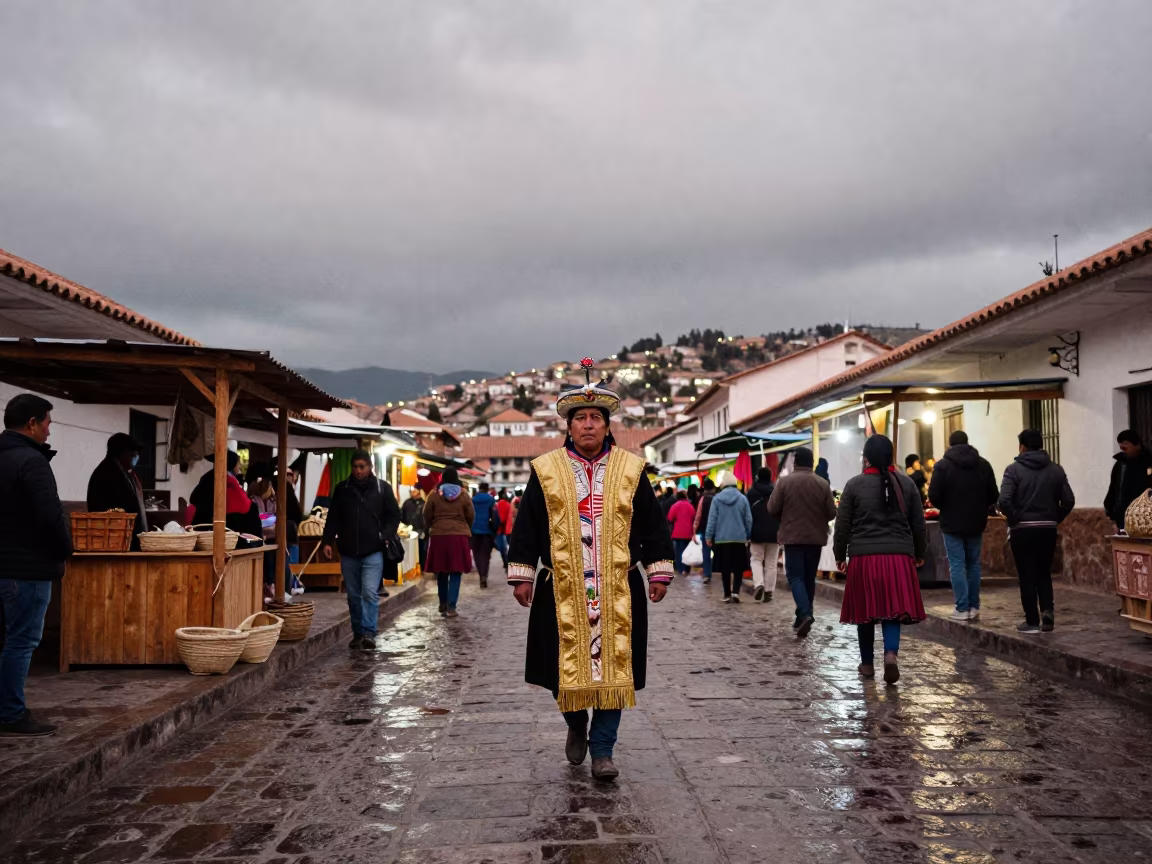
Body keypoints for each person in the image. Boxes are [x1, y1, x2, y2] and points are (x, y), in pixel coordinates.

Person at [508, 359, 673, 783]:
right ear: (568, 425)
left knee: (616, 670)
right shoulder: (544, 471)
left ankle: (603, 751)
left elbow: (652, 523)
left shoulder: (631, 470)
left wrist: (658, 571)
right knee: (560, 668)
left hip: (619, 587)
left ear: (606, 424)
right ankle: (575, 722)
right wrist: (523, 574)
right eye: (579, 418)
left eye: (595, 418)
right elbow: (527, 524)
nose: (587, 425)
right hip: (559, 587)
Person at [0, 394, 72, 737]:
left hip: (6, 565)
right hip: (27, 568)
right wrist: (64, 551)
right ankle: (11, 713)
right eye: (46, 424)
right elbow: (49, 516)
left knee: (8, 640)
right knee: (21, 641)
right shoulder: (31, 461)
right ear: (31, 424)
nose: (48, 431)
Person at [835, 434, 927, 685]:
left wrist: (839, 554)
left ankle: (866, 664)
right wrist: (920, 553)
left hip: (864, 559)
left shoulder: (853, 485)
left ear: (865, 458)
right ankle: (890, 654)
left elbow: (842, 524)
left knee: (865, 612)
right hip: (898, 558)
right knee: (892, 611)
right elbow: (919, 525)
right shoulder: (907, 484)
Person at [321, 450, 401, 649]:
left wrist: (385, 535)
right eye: (355, 467)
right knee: (353, 595)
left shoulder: (383, 488)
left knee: (369, 592)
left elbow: (394, 515)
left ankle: (369, 633)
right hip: (348, 551)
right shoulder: (342, 489)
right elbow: (333, 518)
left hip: (373, 550)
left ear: (370, 467)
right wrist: (327, 541)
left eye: (362, 467)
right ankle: (357, 632)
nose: (358, 471)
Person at [999, 429, 1075, 634]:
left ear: (1022, 447)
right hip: (1047, 530)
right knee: (1043, 572)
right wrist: (1053, 518)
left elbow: (1004, 500)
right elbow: (1068, 500)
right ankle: (1048, 614)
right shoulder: (1056, 470)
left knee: (1026, 575)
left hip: (1022, 531)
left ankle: (1032, 621)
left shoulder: (1013, 470)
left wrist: (1015, 518)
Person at [928, 431, 999, 622]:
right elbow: (993, 494)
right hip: (976, 521)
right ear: (968, 443)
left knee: (957, 564)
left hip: (951, 522)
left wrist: (947, 505)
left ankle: (962, 608)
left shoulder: (942, 466)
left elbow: (933, 495)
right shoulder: (983, 464)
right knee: (974, 564)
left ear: (950, 445)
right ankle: (974, 606)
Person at [767, 447, 837, 638]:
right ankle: (802, 616)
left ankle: (805, 613)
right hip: (815, 538)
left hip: (793, 537)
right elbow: (832, 512)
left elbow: (772, 508)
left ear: (795, 462)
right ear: (812, 462)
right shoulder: (822, 484)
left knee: (795, 577)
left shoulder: (784, 482)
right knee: (808, 579)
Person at [423, 467, 474, 618]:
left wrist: (431, 526)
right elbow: (471, 514)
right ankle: (452, 607)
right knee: (456, 571)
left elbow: (426, 513)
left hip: (439, 536)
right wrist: (465, 526)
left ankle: (442, 602)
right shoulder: (464, 494)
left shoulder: (434, 494)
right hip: (458, 536)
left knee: (441, 570)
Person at [86, 433, 147, 548]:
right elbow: (122, 508)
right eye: (131, 454)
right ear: (122, 453)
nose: (133, 457)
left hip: (123, 540)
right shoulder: (107, 473)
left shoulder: (123, 473)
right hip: (114, 541)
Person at [186, 450, 262, 537]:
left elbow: (193, 498)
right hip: (217, 526)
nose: (239, 467)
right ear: (232, 464)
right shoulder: (228, 479)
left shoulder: (208, 476)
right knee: (252, 512)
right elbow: (245, 505)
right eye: (238, 464)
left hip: (200, 524)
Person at [706, 474, 752, 602]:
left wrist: (709, 536)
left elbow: (712, 519)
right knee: (738, 567)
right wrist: (748, 535)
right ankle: (736, 592)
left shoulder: (717, 499)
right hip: (739, 538)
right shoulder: (743, 499)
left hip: (722, 538)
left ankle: (727, 594)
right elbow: (748, 519)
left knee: (725, 567)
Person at [1104, 429, 1152, 532]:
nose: (1123, 448)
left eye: (1126, 444)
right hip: (1122, 521)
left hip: (1145, 521)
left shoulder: (1148, 463)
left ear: (1137, 445)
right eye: (1121, 445)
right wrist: (1113, 516)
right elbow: (1114, 491)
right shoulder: (1120, 466)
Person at [747, 466, 780, 603]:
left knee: (756, 559)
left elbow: (747, 515)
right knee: (771, 562)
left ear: (758, 477)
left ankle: (759, 584)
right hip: (774, 531)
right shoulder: (776, 491)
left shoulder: (751, 492)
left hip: (757, 531)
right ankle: (769, 592)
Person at [470, 482, 497, 588]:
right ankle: (484, 575)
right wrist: (494, 529)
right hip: (487, 531)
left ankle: (481, 574)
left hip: (474, 530)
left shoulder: (473, 500)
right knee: (486, 555)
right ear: (487, 489)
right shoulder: (491, 499)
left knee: (476, 554)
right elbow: (495, 515)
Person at [692, 477, 717, 584]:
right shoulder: (717, 498)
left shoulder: (702, 499)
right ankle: (720, 570)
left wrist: (694, 529)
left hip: (704, 529)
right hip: (716, 530)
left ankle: (707, 574)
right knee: (718, 551)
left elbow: (698, 515)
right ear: (713, 488)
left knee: (706, 553)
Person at [666, 489, 696, 575]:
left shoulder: (675, 505)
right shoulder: (690, 506)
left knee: (679, 552)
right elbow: (694, 517)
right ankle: (686, 569)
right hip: (688, 533)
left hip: (677, 533)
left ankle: (680, 569)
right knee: (687, 552)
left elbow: (670, 517)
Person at [400, 486, 427, 572]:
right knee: (409, 551)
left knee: (420, 549)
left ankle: (421, 567)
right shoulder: (407, 502)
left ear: (419, 491)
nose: (412, 492)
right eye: (411, 490)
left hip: (421, 530)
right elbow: (401, 514)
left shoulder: (424, 503)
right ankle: (410, 568)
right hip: (407, 530)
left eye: (414, 490)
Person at [495, 489, 513, 570]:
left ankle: (505, 562)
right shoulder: (508, 504)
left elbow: (499, 517)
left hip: (499, 529)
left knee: (502, 547)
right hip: (508, 529)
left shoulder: (497, 504)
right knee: (507, 546)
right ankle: (508, 562)